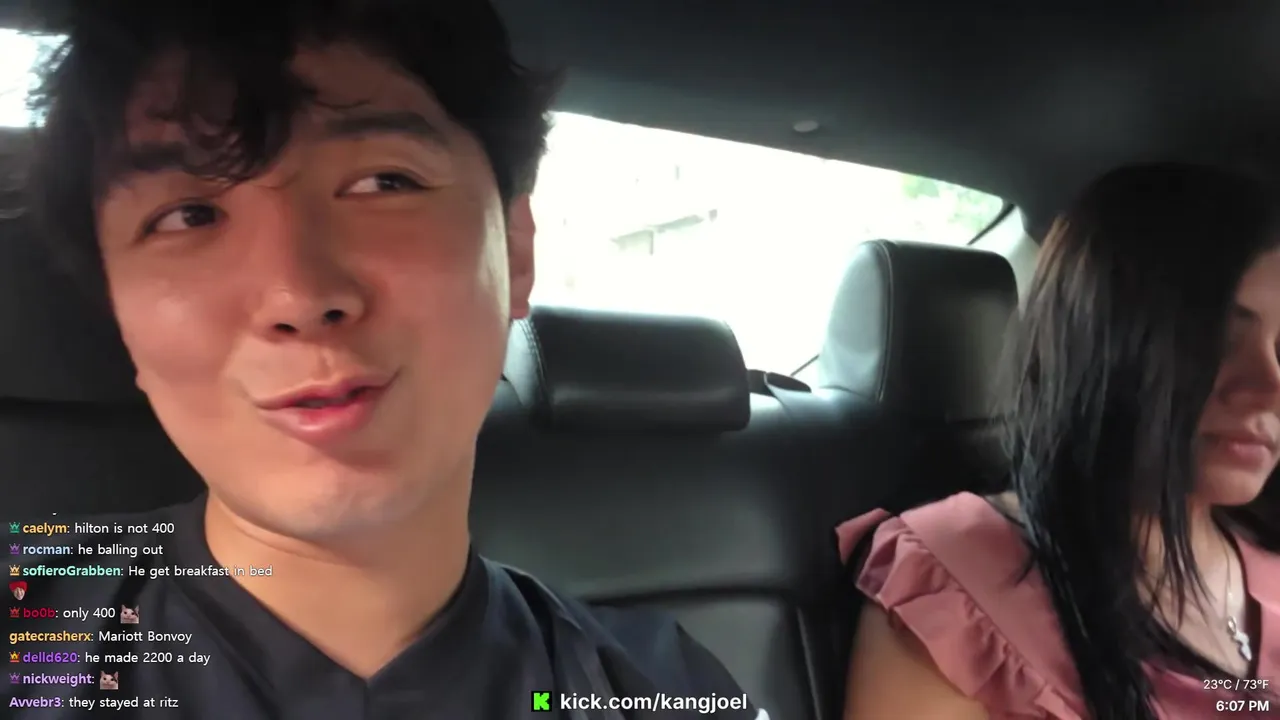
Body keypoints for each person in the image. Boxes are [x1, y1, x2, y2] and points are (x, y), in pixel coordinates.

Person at [4, 1, 766, 718]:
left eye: (383, 182)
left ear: (516, 249)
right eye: (189, 215)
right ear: (120, 320)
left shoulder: (661, 690)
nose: (299, 294)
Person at [837, 163, 1280, 719]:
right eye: (1215, 339)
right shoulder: (958, 584)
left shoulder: (1266, 561)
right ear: (1102, 340)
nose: (1270, 387)